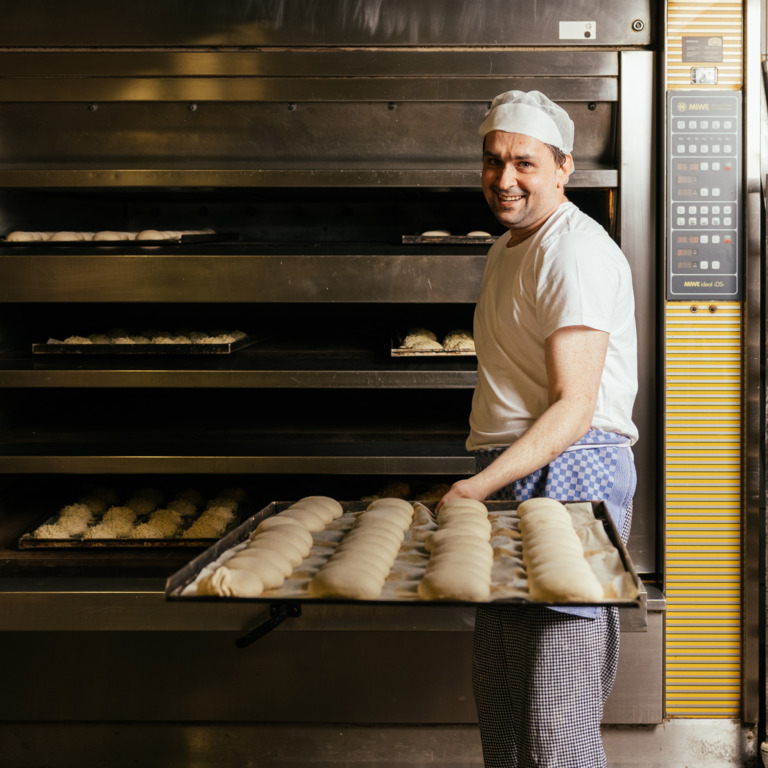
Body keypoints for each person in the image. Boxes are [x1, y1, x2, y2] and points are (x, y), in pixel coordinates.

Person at [438, 90, 639, 767]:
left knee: (555, 731)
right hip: (508, 476)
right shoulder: (508, 249)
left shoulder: (573, 252)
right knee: (504, 718)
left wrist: (473, 491)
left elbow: (574, 407)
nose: (504, 179)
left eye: (524, 163)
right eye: (492, 161)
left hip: (571, 471)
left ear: (563, 168)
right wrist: (487, 488)